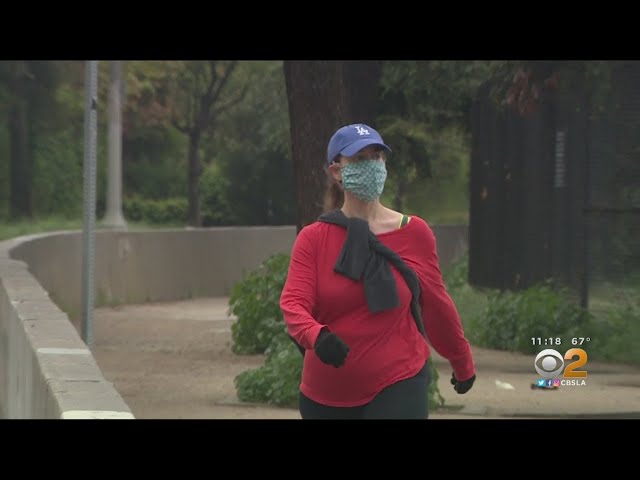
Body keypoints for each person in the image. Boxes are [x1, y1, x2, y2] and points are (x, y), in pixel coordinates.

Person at [279, 123, 476, 420]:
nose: (371, 165)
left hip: (399, 379)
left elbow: (435, 303)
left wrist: (461, 359)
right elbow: (293, 304)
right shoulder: (313, 239)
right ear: (336, 171)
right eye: (359, 159)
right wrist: (317, 337)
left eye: (376, 157)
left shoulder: (415, 233)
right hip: (326, 393)